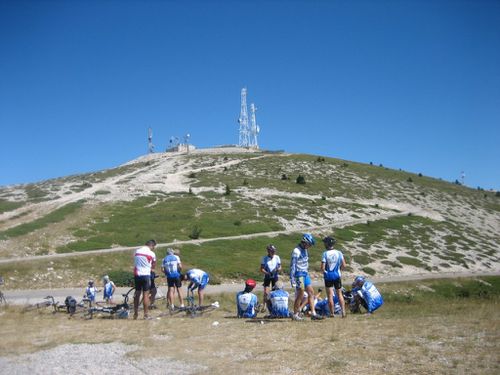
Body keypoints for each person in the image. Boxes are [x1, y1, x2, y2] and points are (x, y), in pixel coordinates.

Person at [290, 233, 323, 320]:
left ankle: (313, 313)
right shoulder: (296, 251)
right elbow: (293, 265)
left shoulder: (305, 250)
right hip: (299, 275)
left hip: (305, 274)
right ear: (305, 242)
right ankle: (295, 314)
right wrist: (292, 279)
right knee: (300, 294)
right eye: (309, 244)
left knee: (311, 292)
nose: (309, 246)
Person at [320, 236, 347, 317]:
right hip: (337, 275)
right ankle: (343, 312)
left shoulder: (325, 254)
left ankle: (332, 313)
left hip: (328, 276)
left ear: (327, 244)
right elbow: (344, 265)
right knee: (339, 294)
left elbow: (322, 268)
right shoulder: (339, 253)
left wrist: (324, 272)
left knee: (330, 296)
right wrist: (339, 270)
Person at [133, 239, 157, 320]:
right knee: (146, 294)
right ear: (152, 245)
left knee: (137, 293)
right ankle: (146, 314)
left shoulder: (137, 251)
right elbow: (153, 267)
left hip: (137, 274)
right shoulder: (152, 254)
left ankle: (135, 313)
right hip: (146, 275)